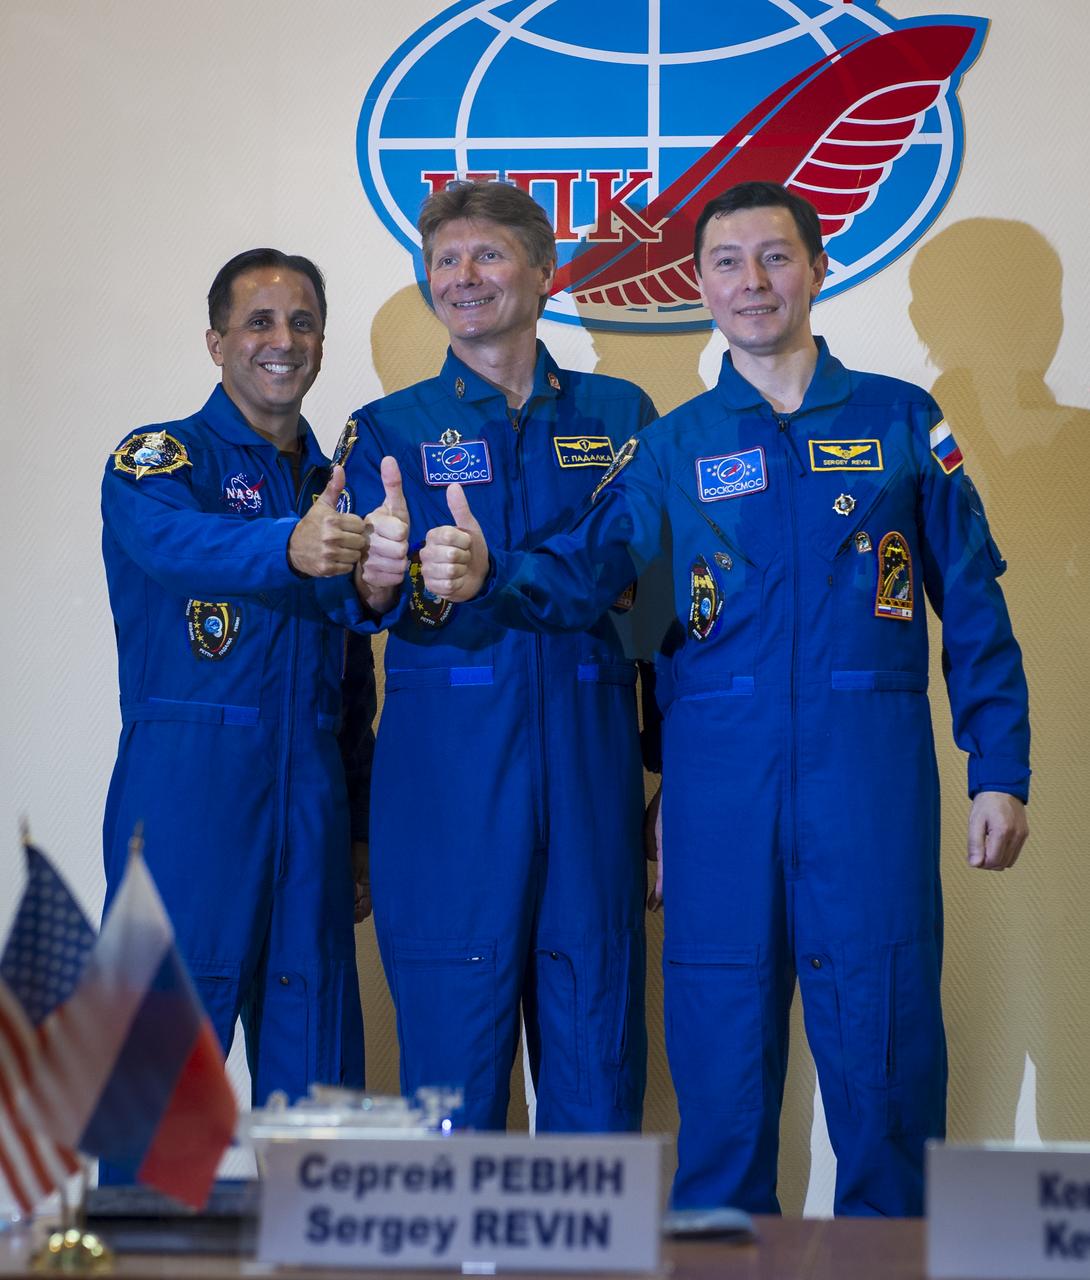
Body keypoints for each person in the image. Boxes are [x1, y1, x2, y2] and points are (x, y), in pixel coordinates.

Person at [414, 182, 1030, 1215]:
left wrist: (999, 770)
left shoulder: (899, 422)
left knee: (886, 1067)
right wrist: (490, 570)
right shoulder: (672, 448)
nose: (753, 282)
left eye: (774, 257)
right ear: (699, 285)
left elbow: (971, 606)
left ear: (819, 267)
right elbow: (597, 580)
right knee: (722, 1077)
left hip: (866, 782)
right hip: (719, 796)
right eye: (728, 263)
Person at [332, 180, 655, 1132]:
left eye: (488, 255)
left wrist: (497, 572)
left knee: (597, 1059)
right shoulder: (389, 429)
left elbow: (639, 585)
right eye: (445, 261)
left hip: (592, 772)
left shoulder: (624, 414)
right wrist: (378, 577)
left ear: (546, 271)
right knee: (450, 1068)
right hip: (446, 787)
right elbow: (352, 594)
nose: (464, 277)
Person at [100, 248, 371, 1117]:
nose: (282, 340)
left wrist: (359, 828)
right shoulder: (158, 459)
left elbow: (353, 686)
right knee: (159, 1101)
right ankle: (147, 1255)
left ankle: (312, 1258)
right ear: (216, 342)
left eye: (301, 323)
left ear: (322, 345)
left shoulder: (343, 486)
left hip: (313, 812)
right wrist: (283, 546)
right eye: (259, 321)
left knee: (320, 1088)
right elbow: (170, 545)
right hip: (186, 801)